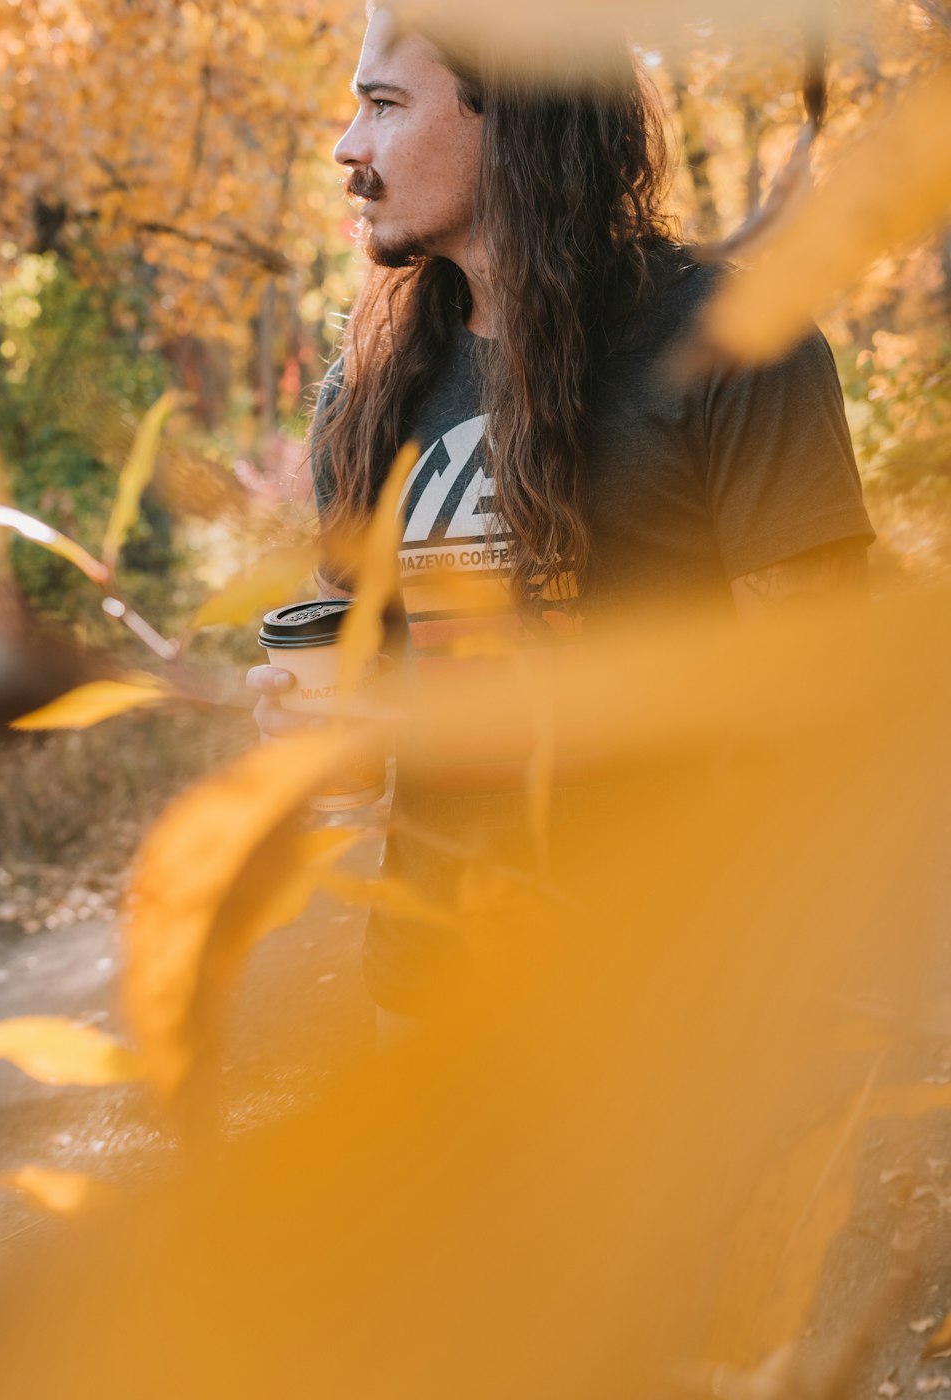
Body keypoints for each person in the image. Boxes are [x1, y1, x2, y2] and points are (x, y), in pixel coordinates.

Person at [248, 4, 875, 1022]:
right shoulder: (359, 394)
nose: (344, 144)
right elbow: (374, 686)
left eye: (383, 102)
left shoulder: (734, 345)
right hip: (434, 996)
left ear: (515, 115)